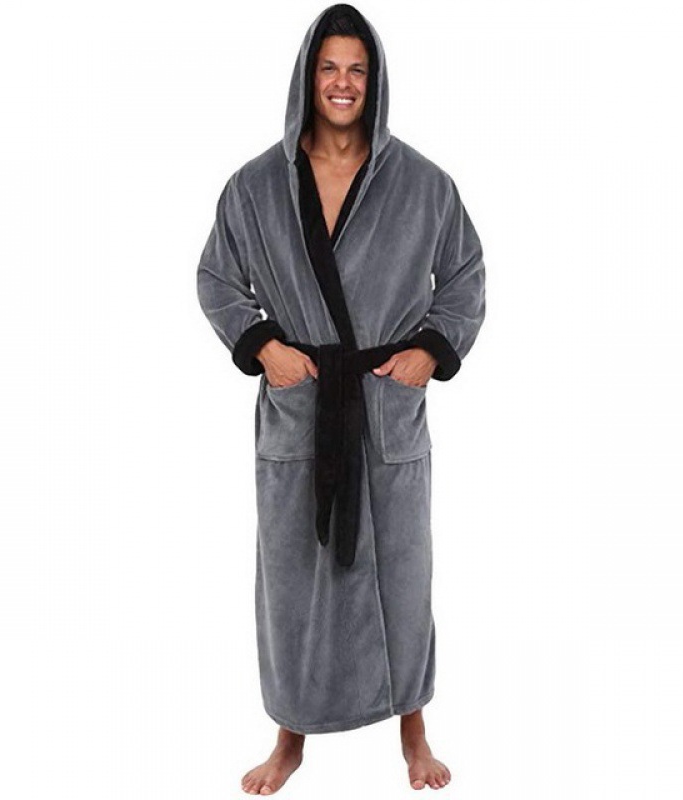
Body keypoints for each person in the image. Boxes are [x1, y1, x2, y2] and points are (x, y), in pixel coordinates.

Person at [197, 3, 486, 794]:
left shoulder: (423, 183)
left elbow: (464, 276)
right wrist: (265, 346)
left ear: (376, 81)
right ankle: (289, 735)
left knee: (404, 573)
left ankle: (413, 729)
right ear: (307, 77)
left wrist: (430, 349)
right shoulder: (256, 185)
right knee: (293, 578)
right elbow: (217, 278)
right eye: (329, 67)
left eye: (357, 69)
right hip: (303, 409)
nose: (343, 83)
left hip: (384, 407)